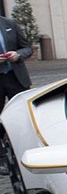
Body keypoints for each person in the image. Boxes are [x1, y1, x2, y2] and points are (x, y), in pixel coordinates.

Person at [0, 16, 32, 175]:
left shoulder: (9, 23)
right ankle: (2, 157)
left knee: (23, 115)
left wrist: (17, 55)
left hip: (15, 77)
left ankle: (26, 150)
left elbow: (27, 48)